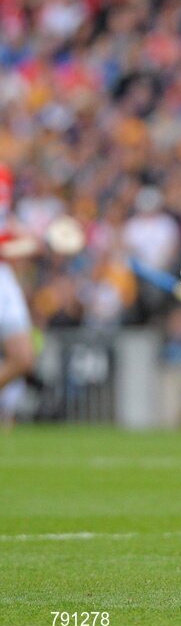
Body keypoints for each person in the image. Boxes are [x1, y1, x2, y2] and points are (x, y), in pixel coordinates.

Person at [0, 163, 35, 429]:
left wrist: (25, 236)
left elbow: (5, 222)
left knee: (23, 357)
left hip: (3, 274)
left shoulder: (4, 174)